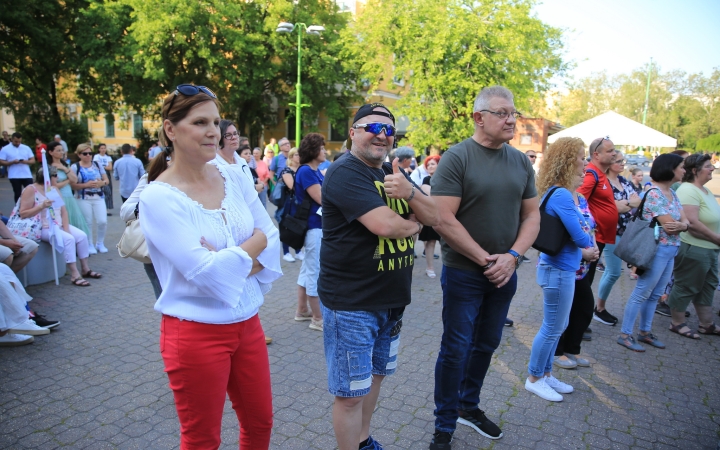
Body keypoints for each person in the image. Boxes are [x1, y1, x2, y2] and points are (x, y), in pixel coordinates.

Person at [139, 84, 281, 448]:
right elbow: (209, 275)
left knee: (260, 422)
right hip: (194, 334)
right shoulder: (158, 196)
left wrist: (234, 255)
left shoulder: (229, 171)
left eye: (216, 122)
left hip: (247, 322)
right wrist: (252, 248)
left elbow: (270, 231)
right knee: (202, 438)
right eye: (200, 122)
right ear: (171, 129)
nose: (213, 132)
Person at [319, 103, 437, 450]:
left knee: (374, 379)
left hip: (391, 302)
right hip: (353, 304)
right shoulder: (346, 171)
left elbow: (437, 216)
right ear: (353, 132)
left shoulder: (391, 174)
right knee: (351, 394)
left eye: (389, 130)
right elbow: (386, 225)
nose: (382, 135)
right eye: (373, 126)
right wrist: (415, 224)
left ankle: (363, 440)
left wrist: (412, 194)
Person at [430, 86, 539, 449]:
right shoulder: (457, 158)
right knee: (456, 347)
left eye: (514, 112)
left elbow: (532, 216)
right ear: (479, 117)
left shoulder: (521, 161)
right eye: (502, 113)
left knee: (487, 343)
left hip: (505, 271)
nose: (512, 119)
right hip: (465, 272)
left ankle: (468, 405)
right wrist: (485, 259)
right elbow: (443, 219)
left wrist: (512, 257)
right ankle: (444, 423)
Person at [525, 137, 595, 402]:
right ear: (567, 161)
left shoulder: (558, 192)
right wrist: (586, 236)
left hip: (560, 270)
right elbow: (581, 237)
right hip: (558, 271)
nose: (584, 161)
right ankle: (534, 378)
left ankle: (545, 374)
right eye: (580, 156)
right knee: (552, 328)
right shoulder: (562, 194)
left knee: (558, 325)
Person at [617, 153, 689, 352]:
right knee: (642, 292)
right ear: (670, 168)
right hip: (657, 249)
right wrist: (682, 225)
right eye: (682, 167)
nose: (684, 170)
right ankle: (625, 334)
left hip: (670, 249)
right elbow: (669, 226)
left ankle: (645, 332)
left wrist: (681, 225)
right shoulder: (655, 193)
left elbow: (684, 221)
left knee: (655, 293)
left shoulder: (672, 193)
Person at [553, 156, 599, 370]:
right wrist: (584, 250)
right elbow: (562, 232)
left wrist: (595, 246)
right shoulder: (559, 195)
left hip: (584, 265)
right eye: (581, 171)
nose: (584, 174)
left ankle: (573, 348)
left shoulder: (580, 197)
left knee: (584, 307)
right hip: (567, 262)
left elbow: (590, 225)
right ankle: (557, 351)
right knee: (563, 310)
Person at [667, 154, 720, 338]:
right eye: (708, 166)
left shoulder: (704, 190)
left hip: (710, 249)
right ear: (695, 171)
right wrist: (716, 238)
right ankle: (677, 323)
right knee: (686, 285)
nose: (712, 168)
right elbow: (692, 223)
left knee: (708, 286)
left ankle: (707, 324)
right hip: (695, 248)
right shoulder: (688, 190)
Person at [18, 168, 100, 286]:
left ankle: (85, 268)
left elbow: (63, 211)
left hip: (59, 225)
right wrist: (41, 206)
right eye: (55, 176)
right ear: (48, 177)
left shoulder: (53, 189)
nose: (57, 178)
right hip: (42, 227)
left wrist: (66, 228)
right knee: (68, 239)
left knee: (81, 236)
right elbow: (23, 213)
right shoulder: (31, 190)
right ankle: (74, 274)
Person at [595, 153, 641, 322]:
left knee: (614, 271)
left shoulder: (624, 181)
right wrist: (627, 204)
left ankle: (599, 307)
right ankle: (599, 308)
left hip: (625, 232)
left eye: (623, 161)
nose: (623, 164)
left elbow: (637, 202)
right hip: (609, 232)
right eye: (619, 161)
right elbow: (611, 207)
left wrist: (624, 204)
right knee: (613, 271)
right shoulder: (603, 182)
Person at [577, 137, 618, 325]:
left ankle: (578, 324)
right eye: (610, 151)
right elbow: (577, 203)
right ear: (596, 154)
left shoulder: (601, 174)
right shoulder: (592, 174)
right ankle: (576, 325)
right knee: (583, 284)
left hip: (599, 239)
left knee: (587, 281)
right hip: (592, 240)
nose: (614, 154)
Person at [288, 133, 326, 332]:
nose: (325, 151)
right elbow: (322, 198)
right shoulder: (307, 172)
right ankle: (317, 318)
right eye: (322, 148)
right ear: (313, 150)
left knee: (307, 270)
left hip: (316, 227)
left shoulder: (314, 171)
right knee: (314, 271)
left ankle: (302, 310)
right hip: (314, 228)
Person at [70, 143, 110, 255]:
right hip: (82, 197)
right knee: (87, 222)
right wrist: (86, 185)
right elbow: (72, 185)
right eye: (85, 153)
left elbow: (106, 180)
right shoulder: (75, 167)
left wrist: (102, 183)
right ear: (79, 155)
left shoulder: (97, 164)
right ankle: (89, 244)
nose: (88, 155)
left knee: (102, 221)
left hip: (98, 196)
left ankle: (100, 243)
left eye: (90, 153)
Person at [46, 142, 91, 238]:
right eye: (58, 150)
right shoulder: (50, 167)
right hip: (60, 197)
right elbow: (54, 186)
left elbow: (75, 179)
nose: (61, 152)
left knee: (76, 221)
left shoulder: (64, 164)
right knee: (65, 221)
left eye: (62, 150)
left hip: (70, 197)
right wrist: (67, 180)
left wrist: (64, 168)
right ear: (51, 152)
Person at [279, 148, 303, 262]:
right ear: (291, 157)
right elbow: (291, 186)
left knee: (299, 226)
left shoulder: (302, 169)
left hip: (300, 202)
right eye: (297, 155)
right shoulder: (286, 170)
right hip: (289, 202)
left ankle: (298, 251)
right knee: (287, 226)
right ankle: (286, 252)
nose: (299, 157)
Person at [419, 155, 441, 278]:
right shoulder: (426, 180)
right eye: (428, 165)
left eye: (433, 164)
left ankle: (447, 268)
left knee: (447, 242)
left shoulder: (447, 179)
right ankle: (430, 268)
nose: (429, 166)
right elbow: (430, 196)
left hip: (445, 215)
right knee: (430, 241)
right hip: (431, 215)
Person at [0, 132, 36, 202]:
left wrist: (25, 161)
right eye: (16, 141)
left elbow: (33, 160)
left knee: (30, 192)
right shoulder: (5, 149)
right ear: (12, 139)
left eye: (19, 141)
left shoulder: (26, 148)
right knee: (18, 194)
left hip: (26, 174)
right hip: (14, 175)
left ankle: (30, 208)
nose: (18, 143)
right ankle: (17, 210)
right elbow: (1, 161)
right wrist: (12, 162)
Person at [93, 144, 114, 215]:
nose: (103, 150)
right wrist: (105, 166)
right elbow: (96, 165)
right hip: (99, 175)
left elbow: (110, 168)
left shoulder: (108, 157)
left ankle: (106, 208)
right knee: (101, 191)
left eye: (104, 148)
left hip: (107, 175)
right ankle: (100, 208)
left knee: (108, 191)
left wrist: (102, 166)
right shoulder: (96, 156)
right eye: (101, 148)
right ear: (99, 149)